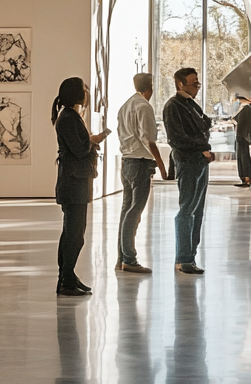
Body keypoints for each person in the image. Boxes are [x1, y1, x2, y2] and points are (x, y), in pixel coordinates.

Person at [51, 77, 110, 296]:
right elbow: (79, 148)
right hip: (73, 182)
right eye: (85, 89)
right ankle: (66, 278)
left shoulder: (70, 116)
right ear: (77, 93)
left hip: (76, 180)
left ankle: (68, 275)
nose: (87, 92)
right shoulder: (68, 117)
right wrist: (95, 139)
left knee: (73, 232)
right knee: (74, 233)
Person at [162, 68, 215, 275]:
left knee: (197, 211)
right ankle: (184, 258)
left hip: (199, 160)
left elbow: (204, 124)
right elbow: (176, 138)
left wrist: (205, 150)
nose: (197, 87)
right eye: (194, 84)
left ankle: (188, 256)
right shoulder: (173, 106)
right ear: (180, 84)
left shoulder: (190, 104)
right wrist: (202, 147)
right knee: (187, 210)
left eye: (198, 83)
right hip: (188, 161)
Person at [116, 72, 168, 274]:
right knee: (134, 210)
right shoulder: (144, 107)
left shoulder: (125, 106)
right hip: (139, 163)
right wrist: (161, 165)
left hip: (127, 161)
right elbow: (148, 140)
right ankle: (129, 258)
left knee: (127, 209)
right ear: (151, 88)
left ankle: (122, 257)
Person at [232, 94, 251, 188]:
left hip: (242, 137)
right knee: (244, 156)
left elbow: (240, 122)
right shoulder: (246, 109)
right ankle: (247, 176)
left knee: (243, 157)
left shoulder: (246, 109)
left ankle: (246, 177)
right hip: (243, 136)